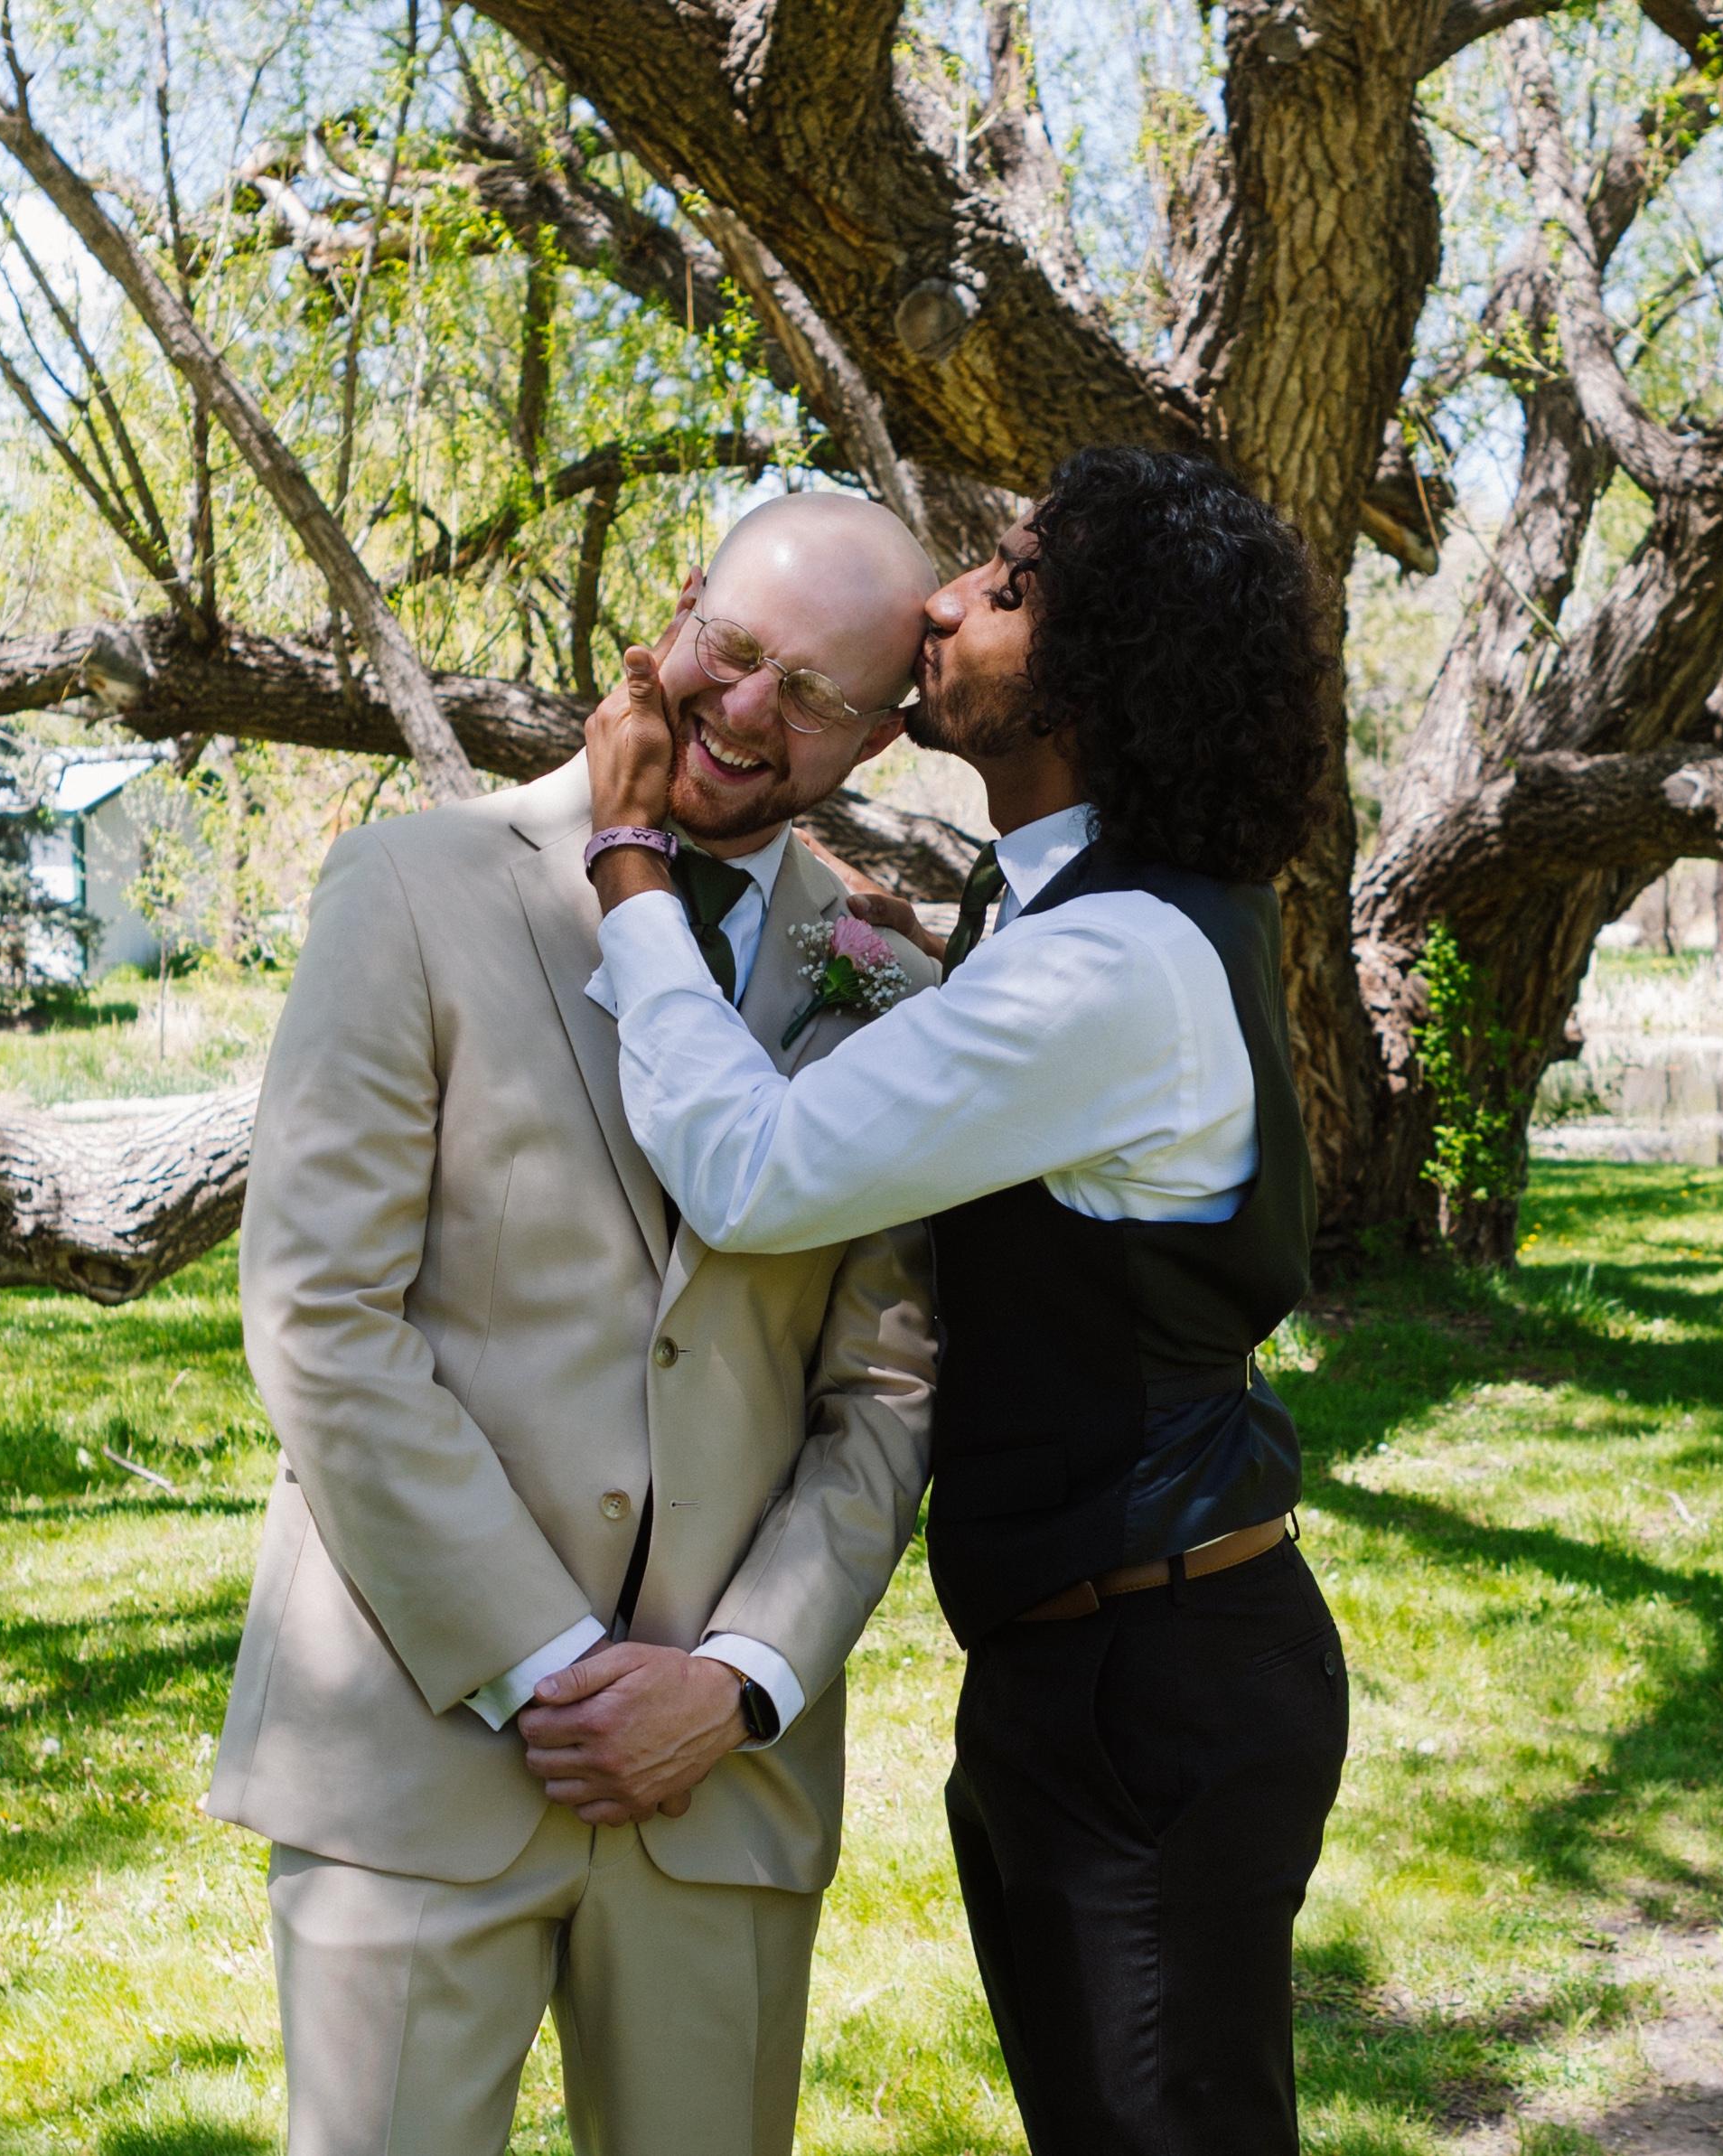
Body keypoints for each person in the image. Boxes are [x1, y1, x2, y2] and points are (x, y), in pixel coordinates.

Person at [577, 446, 1350, 2155]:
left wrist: (629, 862)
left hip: (1150, 1683)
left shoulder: (1109, 960)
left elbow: (754, 1170)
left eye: (1003, 585)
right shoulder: (1072, 907)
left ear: (1097, 673)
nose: (941, 602)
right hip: (1095, 1660)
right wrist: (918, 969)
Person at [206, 491, 942, 2156]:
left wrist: (737, 1679)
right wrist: (548, 1661)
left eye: (811, 694)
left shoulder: (891, 988)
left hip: (719, 1783)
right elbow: (321, 1314)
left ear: (883, 734)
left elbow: (884, 1392)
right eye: (730, 649)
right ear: (675, 609)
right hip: (413, 1738)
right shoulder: (408, 887)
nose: (743, 709)